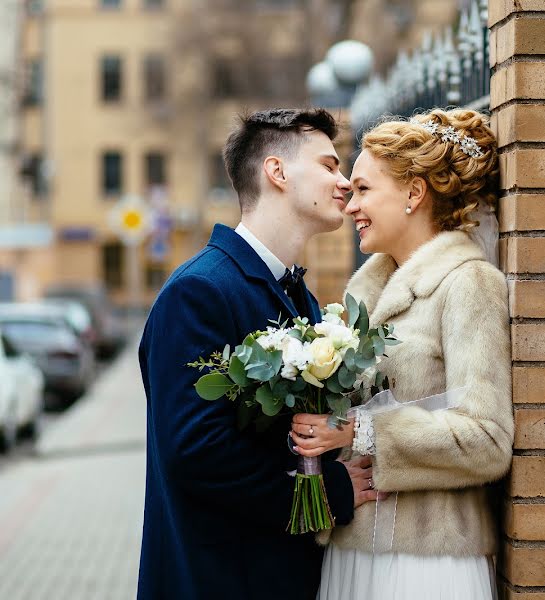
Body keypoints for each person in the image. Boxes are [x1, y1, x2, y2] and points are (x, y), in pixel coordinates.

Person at [137, 108, 377, 600]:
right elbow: (197, 455)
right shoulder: (200, 292)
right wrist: (329, 495)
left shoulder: (299, 297)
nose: (345, 182)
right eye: (330, 166)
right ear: (277, 172)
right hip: (220, 578)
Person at [289, 108, 513, 600]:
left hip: (427, 564)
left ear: (415, 193)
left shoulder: (467, 284)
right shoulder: (364, 293)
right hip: (352, 553)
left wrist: (362, 431)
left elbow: (488, 440)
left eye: (365, 189)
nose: (350, 205)